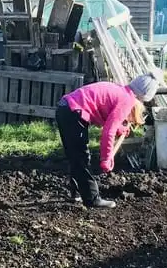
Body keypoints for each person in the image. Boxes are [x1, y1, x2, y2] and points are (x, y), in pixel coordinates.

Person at [55, 73, 159, 208]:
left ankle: (77, 193)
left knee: (75, 155)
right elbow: (108, 132)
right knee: (81, 157)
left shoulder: (119, 91)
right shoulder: (126, 100)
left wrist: (120, 128)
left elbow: (105, 116)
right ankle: (92, 199)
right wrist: (106, 158)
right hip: (74, 112)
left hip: (65, 108)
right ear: (143, 96)